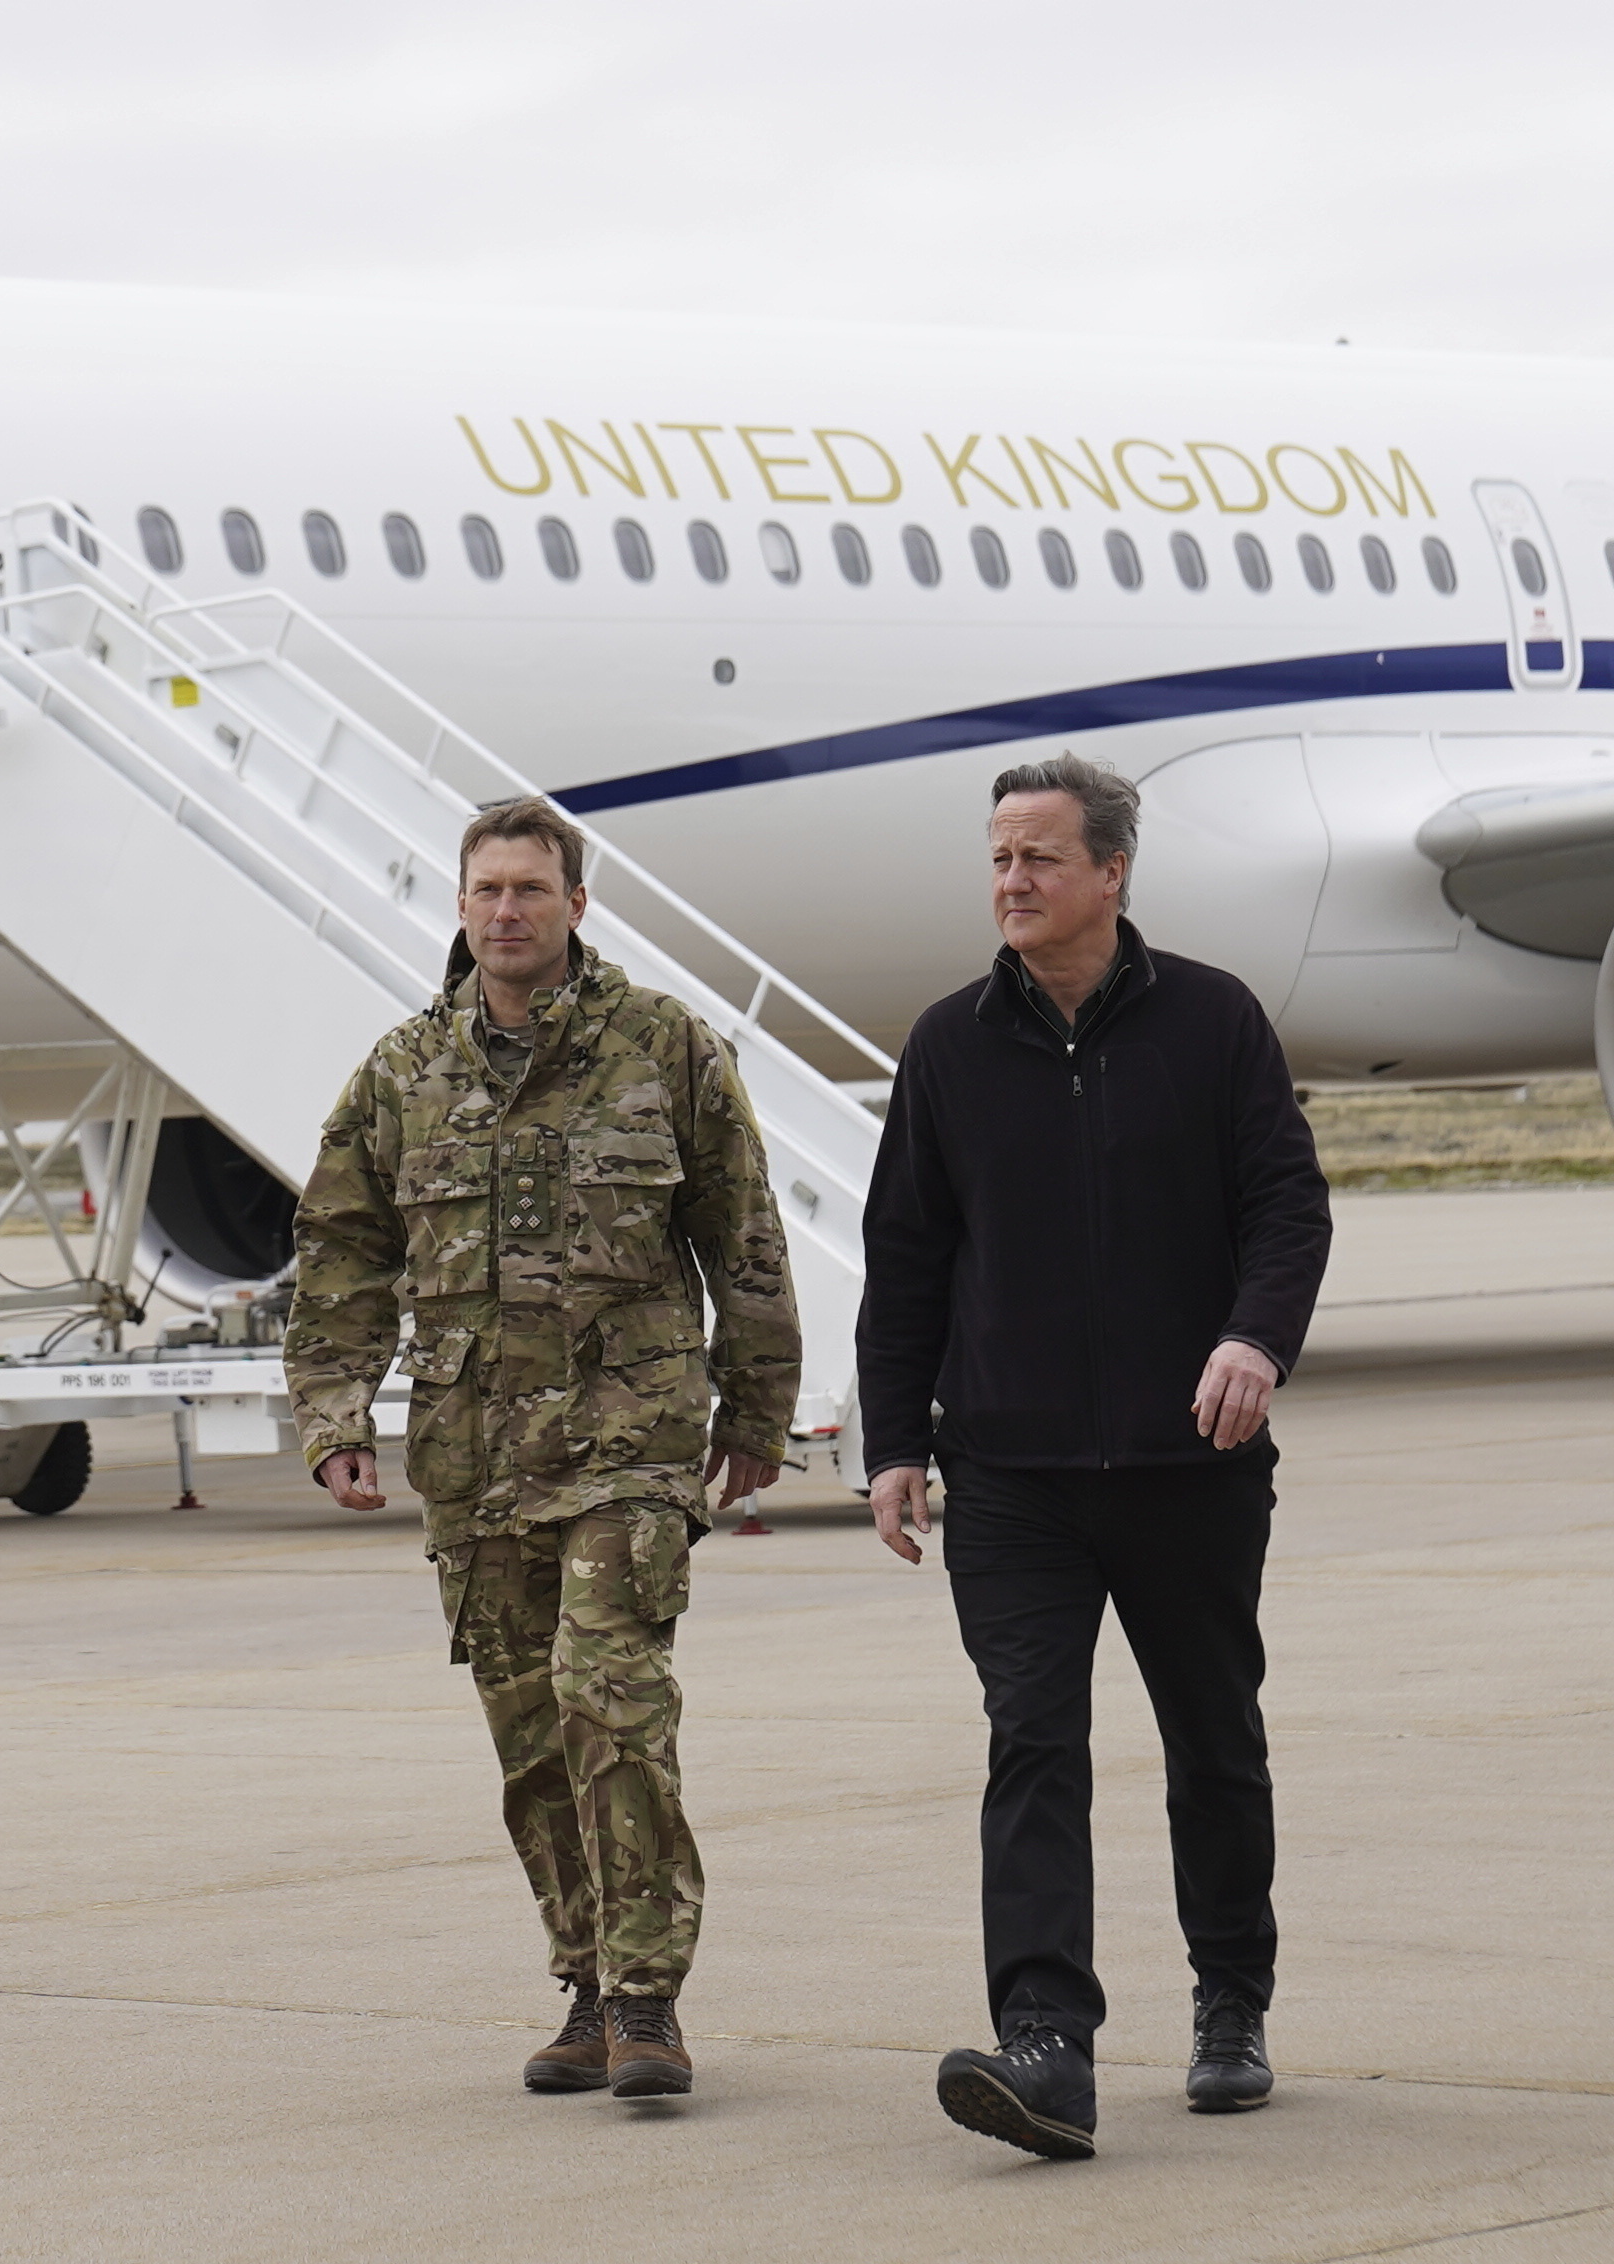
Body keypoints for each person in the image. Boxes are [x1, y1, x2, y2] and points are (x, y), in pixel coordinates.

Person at [858, 753, 1332, 2162]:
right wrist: (892, 1444)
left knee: (1212, 1740)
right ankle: (1046, 2045)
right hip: (1009, 1475)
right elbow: (908, 1258)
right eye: (1000, 859)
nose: (1012, 882)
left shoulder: (1215, 1022)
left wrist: (1254, 1340)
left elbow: (1287, 1209)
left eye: (1040, 860)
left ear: (1113, 873)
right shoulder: (948, 1046)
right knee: (1033, 1743)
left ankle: (1231, 2001)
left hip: (1191, 1463)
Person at [288, 796, 798, 2101]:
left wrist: (754, 1411)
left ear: (578, 905)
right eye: (485, 891)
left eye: (530, 888)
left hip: (627, 1440)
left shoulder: (664, 1050)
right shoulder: (404, 1075)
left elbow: (741, 1236)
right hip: (473, 1458)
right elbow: (341, 1259)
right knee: (530, 1740)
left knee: (608, 1697)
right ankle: (583, 1984)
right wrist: (334, 1419)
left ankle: (646, 1998)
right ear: (460, 909)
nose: (506, 911)